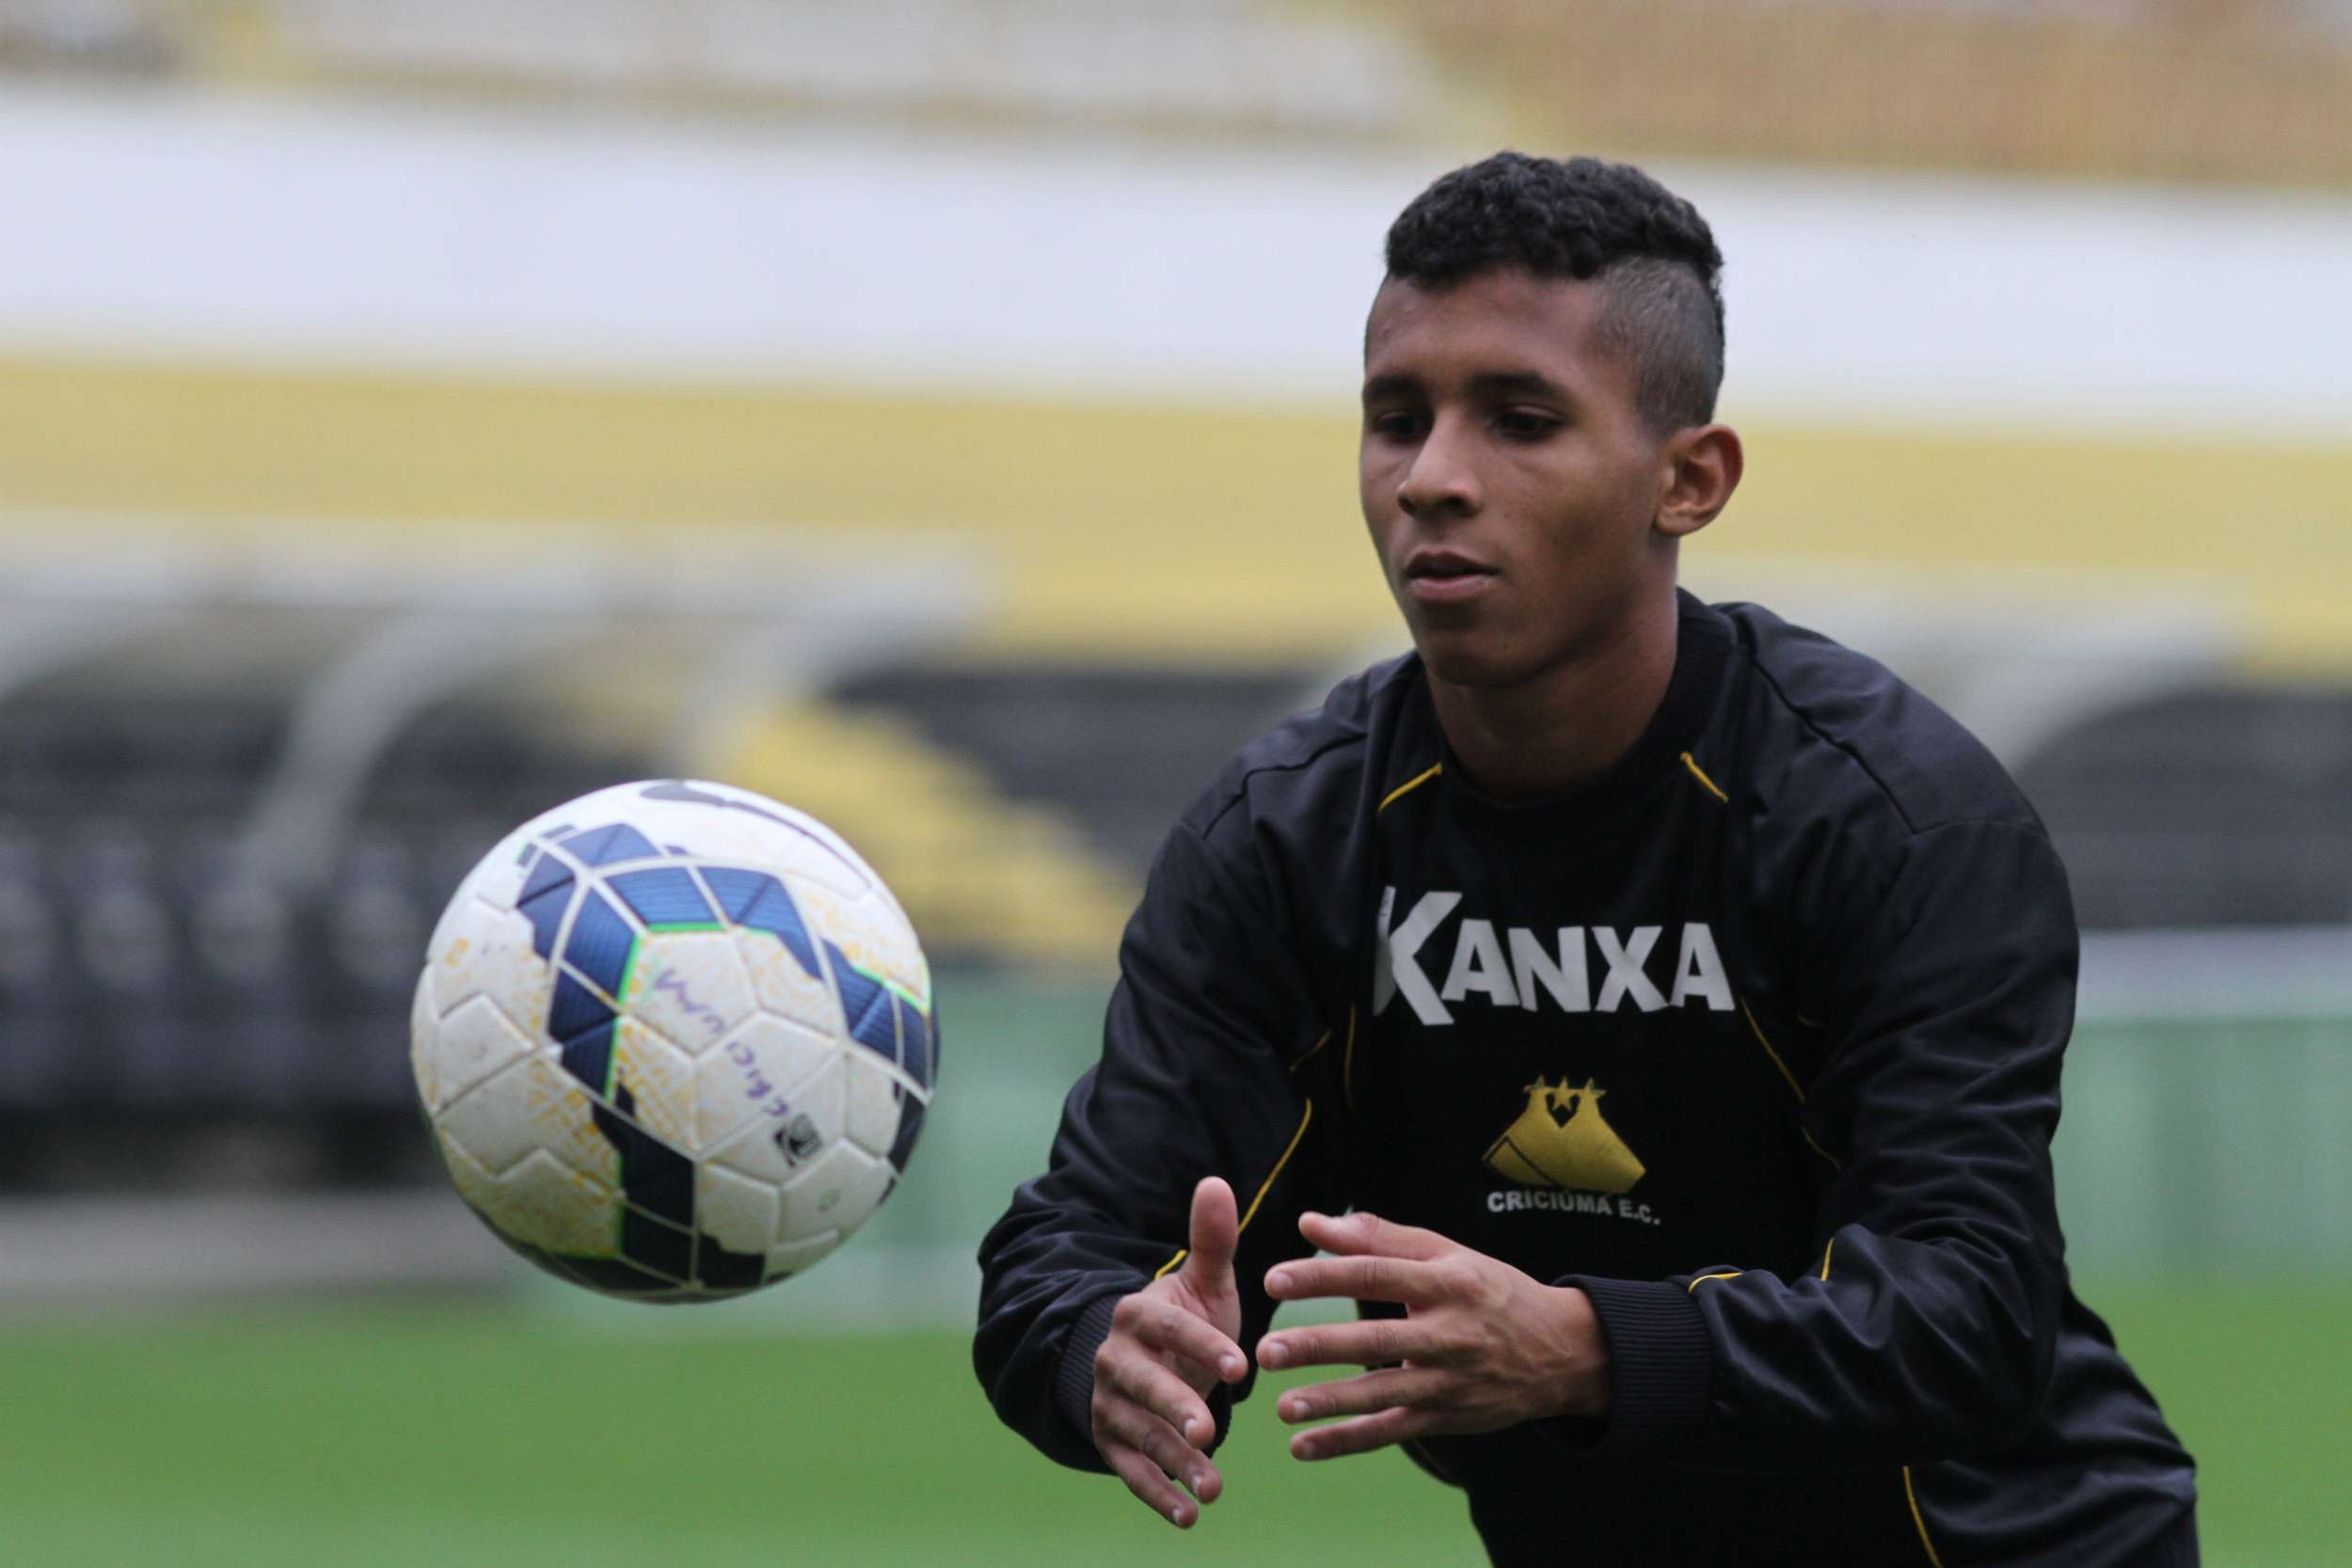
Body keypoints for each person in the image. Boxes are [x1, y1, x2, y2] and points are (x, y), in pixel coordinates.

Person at [972, 151, 2198, 1566]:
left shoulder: (1899, 822)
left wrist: (1584, 1346)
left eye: (1521, 421)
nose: (1433, 479)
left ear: (1689, 480)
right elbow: (1071, 1246)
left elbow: (1968, 1315)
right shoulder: (1284, 841)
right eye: (1395, 419)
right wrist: (1100, 1348)